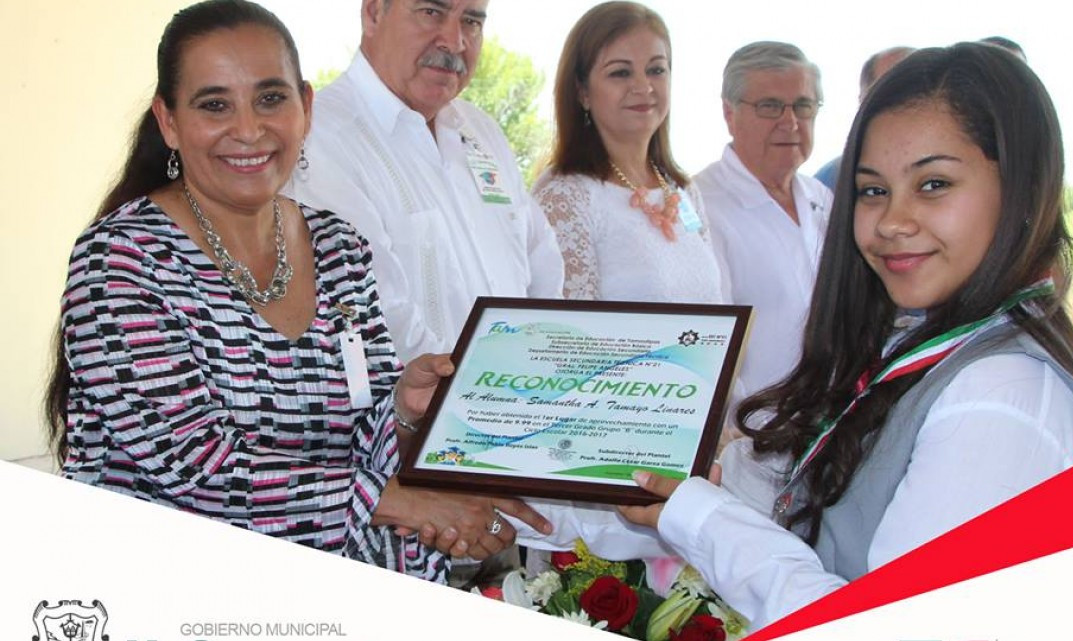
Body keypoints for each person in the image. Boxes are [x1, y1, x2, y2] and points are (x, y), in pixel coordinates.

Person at [500, 42, 1073, 630]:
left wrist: (702, 514)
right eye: (873, 190)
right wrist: (506, 492)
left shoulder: (998, 395)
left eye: (934, 184)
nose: (894, 222)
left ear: (1022, 187)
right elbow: (801, 492)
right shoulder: (929, 345)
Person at [44, 0, 549, 584]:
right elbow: (194, 468)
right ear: (169, 121)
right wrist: (402, 502)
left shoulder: (339, 246)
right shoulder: (121, 260)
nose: (249, 129)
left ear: (305, 106)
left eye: (270, 98)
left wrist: (404, 414)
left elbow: (362, 433)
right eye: (214, 105)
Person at [288, 0, 564, 366]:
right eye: (431, 12)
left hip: (519, 402)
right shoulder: (319, 138)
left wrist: (542, 375)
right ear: (373, 13)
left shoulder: (481, 131)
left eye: (471, 21)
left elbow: (541, 263)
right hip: (417, 415)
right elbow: (373, 311)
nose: (454, 41)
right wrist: (479, 391)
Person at [531, 1, 725, 306]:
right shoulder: (565, 196)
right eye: (620, 73)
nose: (643, 86)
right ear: (582, 91)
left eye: (656, 70)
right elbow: (569, 335)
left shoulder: (682, 190)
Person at [695, 42, 830, 403]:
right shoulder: (700, 208)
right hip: (751, 439)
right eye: (770, 106)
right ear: (729, 113)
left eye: (803, 105)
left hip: (836, 426)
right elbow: (708, 345)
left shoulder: (823, 199)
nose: (790, 122)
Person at [814, 45, 914, 190]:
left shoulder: (955, 167)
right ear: (864, 102)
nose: (908, 101)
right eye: (893, 90)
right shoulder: (829, 183)